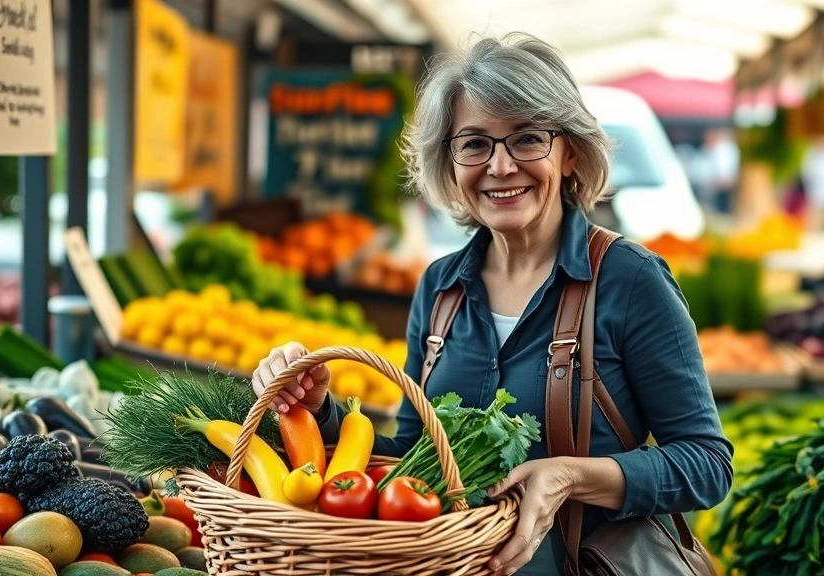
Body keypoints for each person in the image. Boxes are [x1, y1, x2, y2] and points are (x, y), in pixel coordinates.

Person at [251, 33, 733, 575]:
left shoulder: (629, 281)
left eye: (527, 139)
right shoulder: (440, 288)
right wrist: (321, 412)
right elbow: (416, 455)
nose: (500, 167)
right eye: (475, 143)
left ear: (570, 151)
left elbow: (706, 464)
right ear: (450, 163)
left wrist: (571, 476)